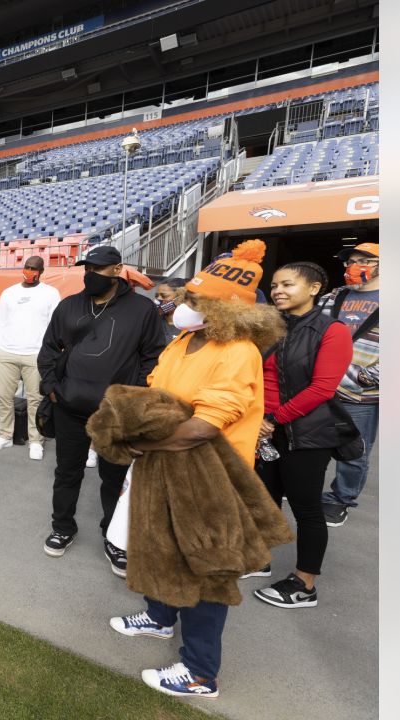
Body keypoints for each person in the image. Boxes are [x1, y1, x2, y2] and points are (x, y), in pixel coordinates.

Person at [107, 239, 288, 699]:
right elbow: (154, 390)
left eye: (193, 299)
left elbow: (206, 425)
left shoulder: (239, 351)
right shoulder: (186, 339)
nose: (182, 306)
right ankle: (159, 616)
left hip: (209, 478)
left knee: (208, 571)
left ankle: (200, 673)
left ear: (224, 308)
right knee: (159, 546)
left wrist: (145, 442)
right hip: (166, 467)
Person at [36, 245, 167, 576]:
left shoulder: (141, 309)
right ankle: (63, 526)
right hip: (69, 406)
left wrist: (133, 394)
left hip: (115, 411)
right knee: (68, 472)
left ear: (117, 270)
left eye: (98, 269)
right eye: (87, 269)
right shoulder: (68, 306)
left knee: (114, 476)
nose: (90, 274)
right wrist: (51, 388)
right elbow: (49, 349)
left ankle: (114, 536)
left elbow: (154, 355)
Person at [250, 262, 353, 608]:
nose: (278, 290)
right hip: (264, 429)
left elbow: (322, 389)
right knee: (263, 499)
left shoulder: (331, 330)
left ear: (314, 288)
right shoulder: (269, 327)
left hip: (306, 434)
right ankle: (258, 559)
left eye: (288, 284)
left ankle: (304, 584)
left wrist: (274, 419)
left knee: (306, 509)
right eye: (275, 284)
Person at [319, 242, 380, 527]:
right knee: (309, 440)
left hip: (360, 393)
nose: (354, 266)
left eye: (364, 260)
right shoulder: (335, 296)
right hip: (319, 385)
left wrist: (364, 377)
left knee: (354, 450)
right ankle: (305, 485)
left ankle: (341, 499)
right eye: (351, 260)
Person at [0, 256, 60, 460]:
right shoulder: (9, 293)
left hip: (35, 355)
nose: (30, 271)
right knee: (4, 396)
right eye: (27, 267)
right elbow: (0, 321)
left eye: (34, 268)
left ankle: (36, 441)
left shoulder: (50, 293)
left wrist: (46, 354)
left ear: (42, 271)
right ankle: (4, 435)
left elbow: (53, 325)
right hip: (7, 353)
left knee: (35, 400)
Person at [154, 277, 187, 343]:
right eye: (156, 295)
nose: (158, 299)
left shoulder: (189, 325)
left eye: (164, 296)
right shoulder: (153, 321)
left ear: (180, 298)